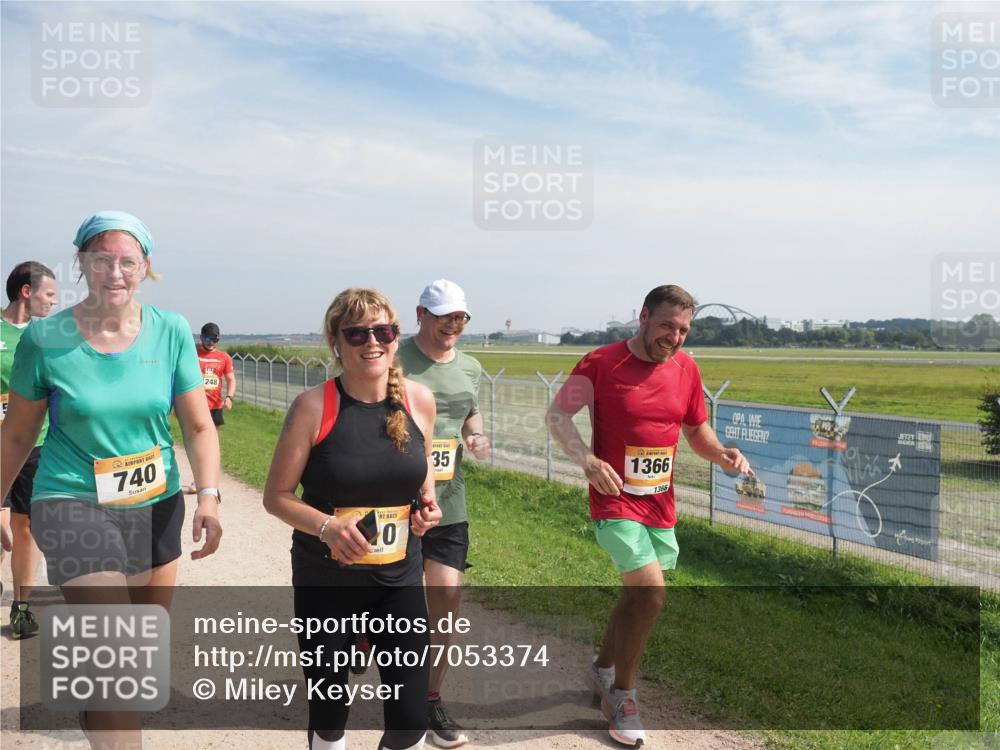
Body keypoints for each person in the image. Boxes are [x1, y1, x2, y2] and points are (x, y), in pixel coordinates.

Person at [0, 210, 223, 747]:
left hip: (156, 501)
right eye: (102, 260)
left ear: (146, 267)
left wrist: (209, 498)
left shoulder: (169, 330)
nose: (116, 273)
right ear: (81, 263)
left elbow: (197, 425)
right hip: (71, 499)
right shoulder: (46, 338)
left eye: (129, 262)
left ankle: (99, 715)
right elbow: (16, 435)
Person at [545, 284, 752, 748]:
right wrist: (587, 461)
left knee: (637, 598)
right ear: (643, 317)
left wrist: (720, 453)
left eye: (682, 330)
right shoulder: (600, 363)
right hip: (614, 500)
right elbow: (558, 417)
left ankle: (601, 670)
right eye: (666, 326)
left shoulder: (687, 368)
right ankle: (623, 696)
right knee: (652, 594)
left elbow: (696, 429)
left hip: (660, 502)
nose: (674, 337)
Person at [263, 287, 441, 750]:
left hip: (399, 578)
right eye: (357, 333)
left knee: (409, 718)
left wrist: (426, 508)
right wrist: (327, 526)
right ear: (335, 342)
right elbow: (276, 497)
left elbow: (423, 480)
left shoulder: (419, 401)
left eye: (383, 331)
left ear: (397, 337)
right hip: (328, 582)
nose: (372, 342)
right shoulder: (313, 406)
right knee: (329, 715)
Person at [396, 279, 488, 748]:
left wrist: (476, 435)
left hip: (449, 502)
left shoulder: (470, 367)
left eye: (461, 317)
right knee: (391, 605)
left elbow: (468, 411)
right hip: (395, 504)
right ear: (421, 314)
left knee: (446, 602)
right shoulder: (393, 359)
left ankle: (430, 699)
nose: (454, 325)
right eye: (444, 316)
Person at [1, 261, 58, 639]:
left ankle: (20, 609)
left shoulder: (47, 337)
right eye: (48, 294)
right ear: (26, 291)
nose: (53, 302)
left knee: (25, 526)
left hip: (33, 445)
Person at [196, 322, 236, 426]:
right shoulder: (192, 354)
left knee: (213, 437)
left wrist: (229, 398)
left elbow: (231, 379)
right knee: (195, 435)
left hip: (215, 405)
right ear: (201, 337)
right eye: (208, 339)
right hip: (195, 404)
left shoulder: (224, 357)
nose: (211, 342)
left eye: (215, 340)